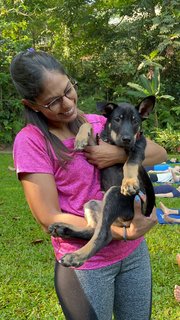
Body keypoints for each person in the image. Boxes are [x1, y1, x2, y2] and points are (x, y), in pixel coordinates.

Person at [10, 49, 167, 320]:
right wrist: (120, 232)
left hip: (133, 255)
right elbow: (48, 217)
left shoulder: (98, 123)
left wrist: (117, 154)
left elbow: (159, 153)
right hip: (87, 265)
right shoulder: (31, 141)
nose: (68, 104)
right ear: (32, 104)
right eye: (53, 102)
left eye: (68, 89)